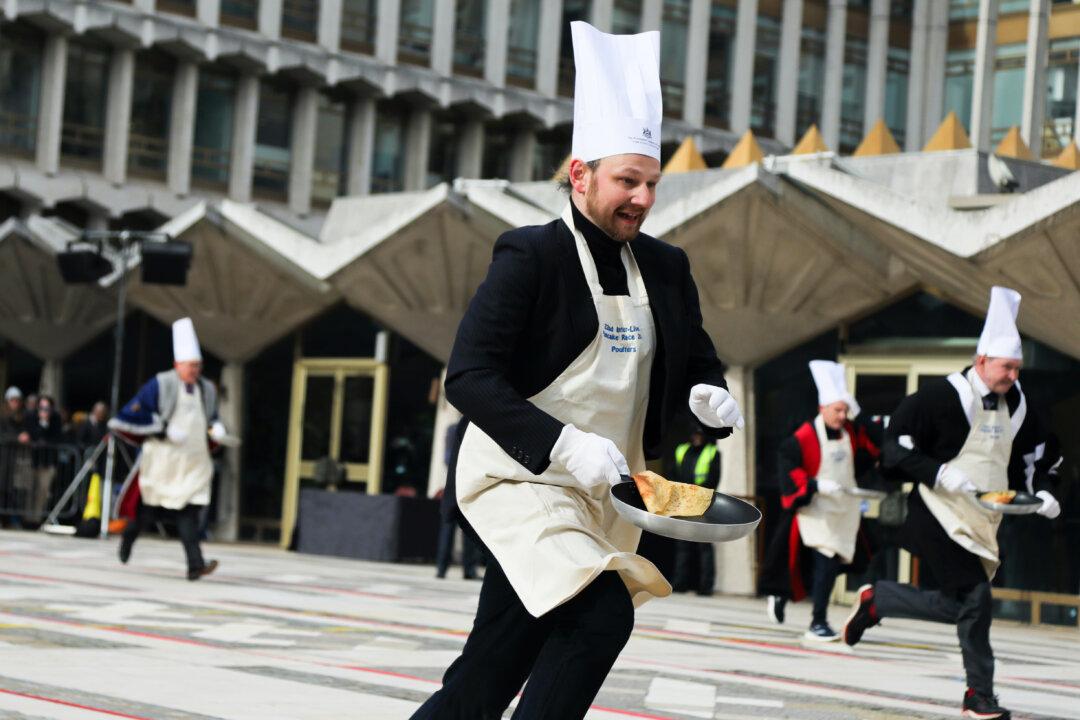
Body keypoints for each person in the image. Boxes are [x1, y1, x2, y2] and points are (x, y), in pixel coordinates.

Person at [410, 22, 742, 720]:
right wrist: (564, 445)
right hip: (520, 479)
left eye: (652, 183)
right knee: (599, 618)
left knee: (489, 672)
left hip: (604, 500)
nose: (643, 199)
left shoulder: (668, 268)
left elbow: (695, 371)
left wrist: (708, 405)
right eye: (628, 181)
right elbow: (469, 375)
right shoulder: (530, 256)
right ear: (580, 174)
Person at [842, 287, 1063, 720]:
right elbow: (896, 448)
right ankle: (978, 697)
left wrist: (1045, 492)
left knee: (958, 604)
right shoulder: (938, 398)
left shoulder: (1018, 403)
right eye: (1006, 367)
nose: (1013, 377)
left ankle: (879, 600)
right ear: (982, 361)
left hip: (984, 519)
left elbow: (1040, 453)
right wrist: (940, 472)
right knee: (976, 600)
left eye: (1018, 369)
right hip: (936, 513)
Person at [760, 361, 880, 641]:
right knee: (825, 565)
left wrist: (860, 414)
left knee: (833, 566)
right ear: (822, 408)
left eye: (845, 410)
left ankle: (782, 596)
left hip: (843, 511)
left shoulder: (852, 432)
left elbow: (877, 445)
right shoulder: (801, 438)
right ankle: (818, 623)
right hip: (814, 512)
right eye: (837, 409)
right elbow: (788, 469)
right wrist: (814, 484)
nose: (842, 415)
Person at [108, 318, 229, 581]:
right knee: (144, 512)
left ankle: (195, 565)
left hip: (193, 463)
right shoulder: (161, 384)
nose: (195, 370)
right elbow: (128, 416)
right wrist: (162, 430)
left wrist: (217, 428)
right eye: (190, 365)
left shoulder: (206, 389)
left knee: (189, 515)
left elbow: (211, 418)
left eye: (198, 365)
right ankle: (128, 539)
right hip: (163, 461)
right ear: (177, 364)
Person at [670, 426, 720, 596]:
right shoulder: (682, 450)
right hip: (683, 502)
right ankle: (681, 582)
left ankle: (706, 586)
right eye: (695, 434)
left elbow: (714, 478)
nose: (697, 437)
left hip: (702, 502)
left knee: (704, 545)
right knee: (682, 544)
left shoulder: (712, 452)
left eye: (700, 434)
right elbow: (673, 474)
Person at [435, 418, 480, 580]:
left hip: (465, 482)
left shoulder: (456, 427)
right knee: (452, 527)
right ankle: (445, 567)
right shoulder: (455, 428)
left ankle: (464, 569)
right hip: (460, 482)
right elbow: (447, 458)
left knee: (466, 529)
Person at [27, 394, 63, 524]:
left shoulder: (56, 419)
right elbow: (33, 434)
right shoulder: (31, 416)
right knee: (29, 490)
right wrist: (42, 423)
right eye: (42, 408)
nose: (44, 411)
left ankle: (35, 519)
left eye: (47, 408)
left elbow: (56, 438)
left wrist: (46, 422)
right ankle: (26, 518)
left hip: (48, 462)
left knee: (43, 491)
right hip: (33, 460)